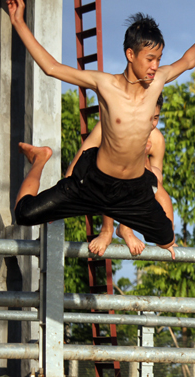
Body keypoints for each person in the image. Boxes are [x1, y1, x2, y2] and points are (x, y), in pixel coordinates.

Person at [7, 0, 195, 258]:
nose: (155, 66)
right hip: (93, 183)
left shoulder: (157, 82)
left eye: (158, 59)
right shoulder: (105, 84)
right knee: (24, 214)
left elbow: (189, 60)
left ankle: (122, 228)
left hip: (133, 191)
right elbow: (52, 67)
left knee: (166, 238)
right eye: (149, 59)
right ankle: (39, 158)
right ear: (130, 54)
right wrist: (19, 23)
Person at [64, 94, 172, 256]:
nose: (150, 123)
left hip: (128, 191)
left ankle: (125, 228)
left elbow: (158, 186)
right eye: (146, 117)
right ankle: (107, 230)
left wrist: (168, 239)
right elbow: (75, 166)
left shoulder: (156, 139)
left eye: (155, 118)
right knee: (118, 165)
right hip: (95, 183)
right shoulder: (108, 126)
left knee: (150, 175)